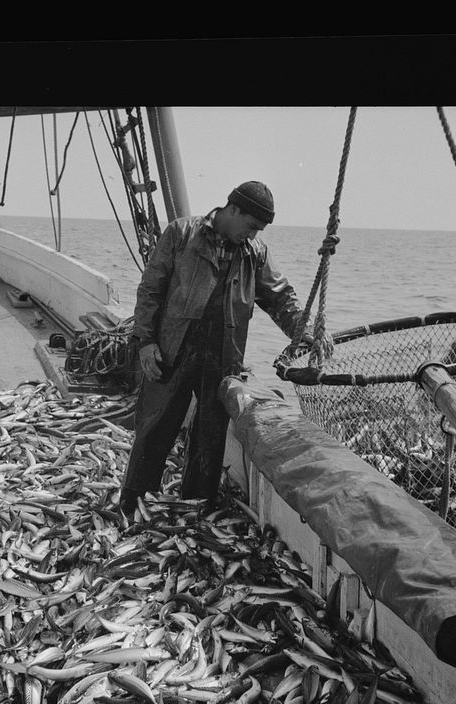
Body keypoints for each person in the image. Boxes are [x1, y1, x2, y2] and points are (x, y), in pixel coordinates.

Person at [119, 181, 312, 517]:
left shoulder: (256, 253)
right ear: (232, 210)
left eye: (259, 230)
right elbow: (150, 290)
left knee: (209, 441)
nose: (253, 236)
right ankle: (132, 508)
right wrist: (146, 343)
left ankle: (195, 513)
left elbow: (281, 298)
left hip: (222, 357)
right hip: (172, 350)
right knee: (153, 432)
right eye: (251, 227)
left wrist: (306, 332)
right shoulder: (181, 233)